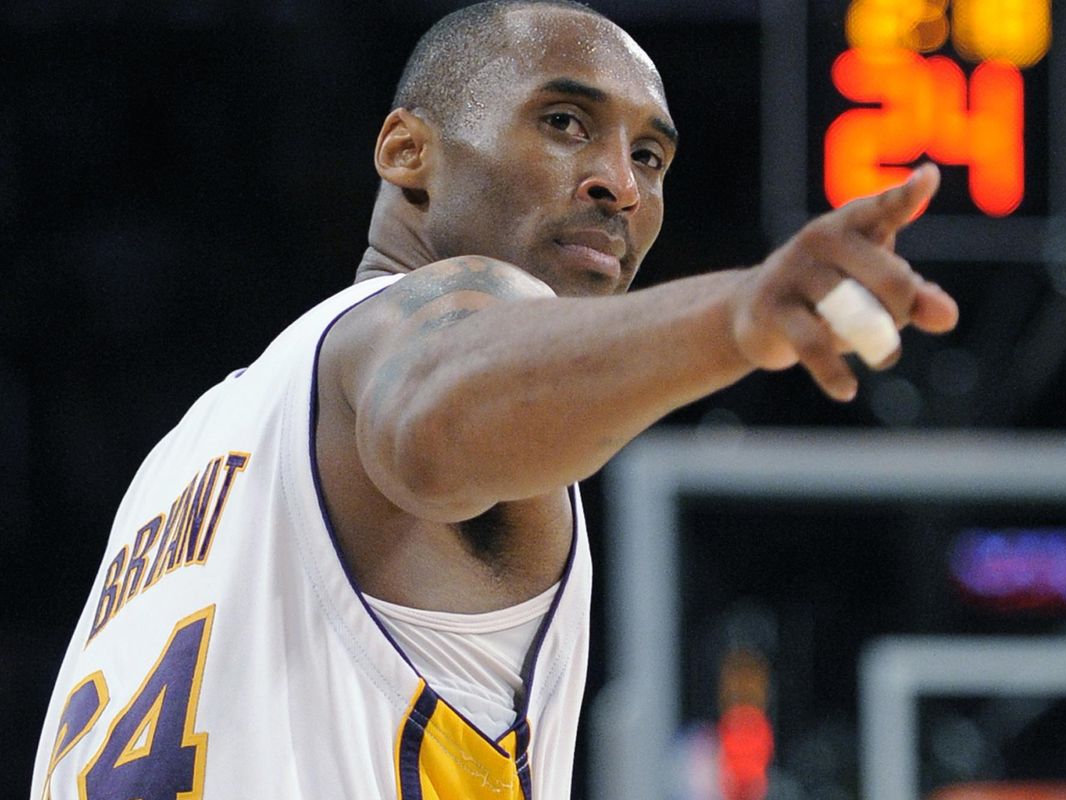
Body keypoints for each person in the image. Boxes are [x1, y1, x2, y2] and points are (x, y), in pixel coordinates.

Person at [30, 1, 958, 797]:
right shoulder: (427, 323)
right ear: (407, 152)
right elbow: (432, 406)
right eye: (563, 122)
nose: (621, 185)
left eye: (651, 156)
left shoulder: (186, 454)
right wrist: (738, 317)